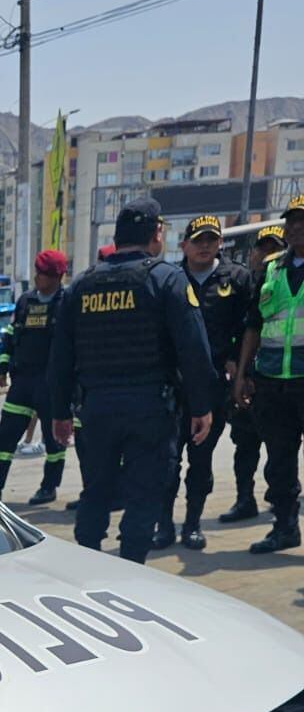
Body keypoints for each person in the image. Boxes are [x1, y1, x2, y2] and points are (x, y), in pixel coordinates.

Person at [49, 194, 213, 564]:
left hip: (96, 409)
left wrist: (59, 412)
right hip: (150, 409)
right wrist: (202, 405)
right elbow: (194, 349)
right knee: (143, 495)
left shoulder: (81, 286)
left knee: (96, 490)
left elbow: (59, 358)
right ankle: (131, 569)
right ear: (156, 234)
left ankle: (88, 562)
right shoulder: (166, 279)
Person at [150, 215, 254, 550]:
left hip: (212, 388)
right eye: (199, 240)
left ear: (220, 243)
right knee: (167, 460)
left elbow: (250, 326)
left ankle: (192, 524)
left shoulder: (236, 279)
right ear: (184, 245)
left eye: (212, 239)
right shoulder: (170, 279)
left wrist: (237, 366)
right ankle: (163, 525)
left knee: (201, 459)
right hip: (173, 387)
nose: (205, 246)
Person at [233, 194, 304, 553]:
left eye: (302, 221)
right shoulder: (272, 268)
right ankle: (285, 526)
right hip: (273, 380)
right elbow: (253, 326)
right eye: (291, 221)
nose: (295, 227)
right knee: (278, 461)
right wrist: (243, 374)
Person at [0, 248, 69, 505]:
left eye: (44, 274)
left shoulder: (67, 303)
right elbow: (11, 336)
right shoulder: (25, 301)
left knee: (54, 442)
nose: (38, 279)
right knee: (5, 439)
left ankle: (49, 486)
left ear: (58, 277)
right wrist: (2, 368)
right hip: (22, 382)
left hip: (51, 382)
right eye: (37, 273)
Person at [221, 223, 286, 523]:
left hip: (279, 379)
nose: (267, 254)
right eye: (263, 247)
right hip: (249, 376)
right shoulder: (241, 285)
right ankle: (244, 499)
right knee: (244, 444)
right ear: (253, 253)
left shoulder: (286, 281)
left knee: (280, 447)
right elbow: (237, 330)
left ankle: (282, 501)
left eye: (275, 248)